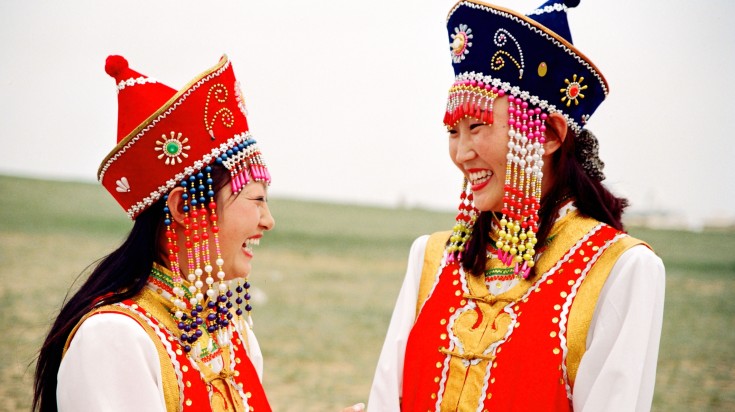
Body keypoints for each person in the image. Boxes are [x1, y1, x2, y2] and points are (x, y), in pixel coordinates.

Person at [368, 1, 665, 411]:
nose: (462, 151)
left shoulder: (620, 271)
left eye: (477, 126)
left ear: (548, 135)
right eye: (453, 131)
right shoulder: (430, 260)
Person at [32, 54, 365, 412]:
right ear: (183, 209)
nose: (268, 220)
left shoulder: (229, 331)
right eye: (256, 199)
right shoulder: (114, 339)